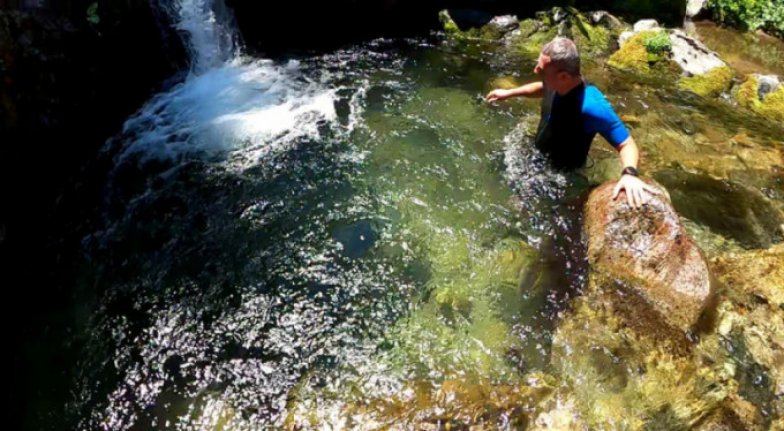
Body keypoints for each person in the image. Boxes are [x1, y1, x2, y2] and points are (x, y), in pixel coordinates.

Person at [486, 37, 659, 209]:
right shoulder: (554, 83)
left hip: (565, 175)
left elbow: (626, 144)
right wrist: (509, 93)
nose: (535, 70)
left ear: (563, 76)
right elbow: (543, 87)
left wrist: (629, 174)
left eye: (541, 70)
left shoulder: (592, 106)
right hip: (539, 156)